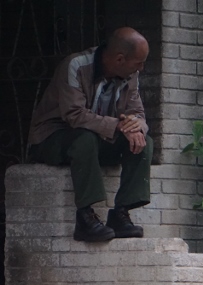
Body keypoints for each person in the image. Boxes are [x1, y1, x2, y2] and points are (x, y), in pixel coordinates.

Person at [29, 27, 153, 242]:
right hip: (53, 137)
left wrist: (137, 126)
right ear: (119, 59)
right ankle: (86, 217)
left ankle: (121, 213)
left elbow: (137, 113)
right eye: (138, 62)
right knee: (84, 138)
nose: (142, 67)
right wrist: (118, 126)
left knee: (145, 141)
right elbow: (74, 115)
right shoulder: (76, 65)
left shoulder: (131, 74)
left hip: (96, 138)